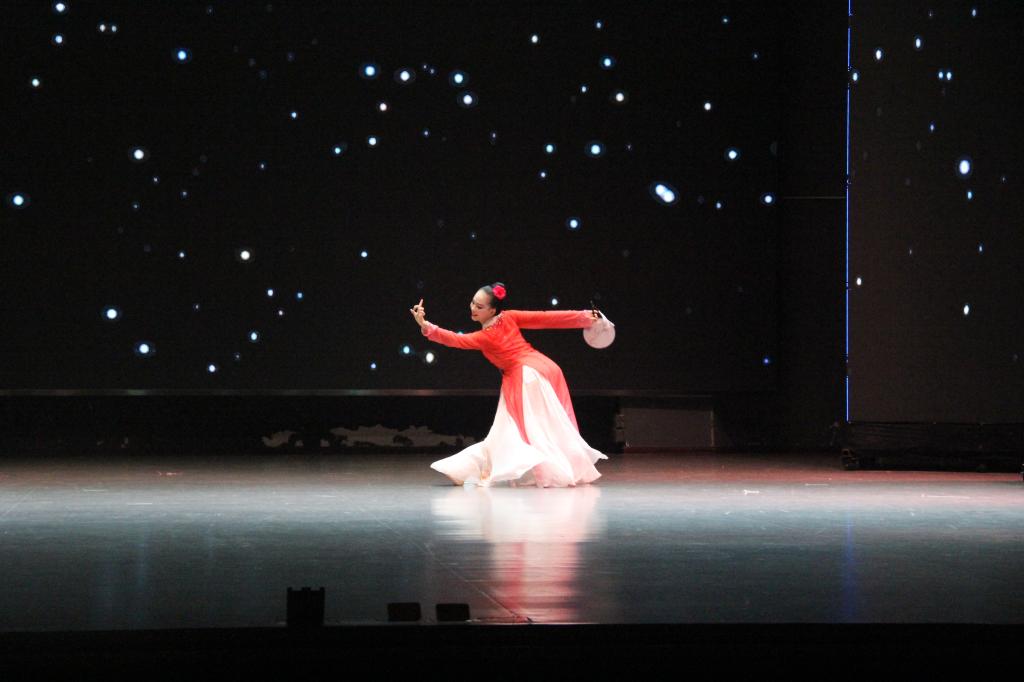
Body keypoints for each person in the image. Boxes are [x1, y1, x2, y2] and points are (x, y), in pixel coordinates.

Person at [409, 282, 608, 488]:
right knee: (533, 430)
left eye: (479, 306)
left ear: (492, 310)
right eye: (473, 303)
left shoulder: (486, 336)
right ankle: (468, 470)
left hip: (524, 378)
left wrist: (426, 326)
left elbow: (455, 340)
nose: (473, 308)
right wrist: (585, 317)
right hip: (542, 368)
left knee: (518, 432)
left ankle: (476, 470)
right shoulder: (508, 317)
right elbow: (546, 317)